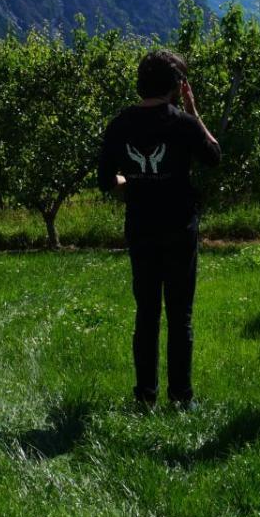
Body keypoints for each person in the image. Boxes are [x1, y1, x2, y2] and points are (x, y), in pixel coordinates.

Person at [98, 50, 222, 407]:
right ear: (177, 84)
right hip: (179, 225)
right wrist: (194, 112)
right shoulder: (183, 123)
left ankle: (145, 396)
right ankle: (181, 397)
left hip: (141, 226)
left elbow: (107, 180)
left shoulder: (120, 123)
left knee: (147, 312)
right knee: (179, 313)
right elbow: (213, 156)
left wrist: (136, 184)